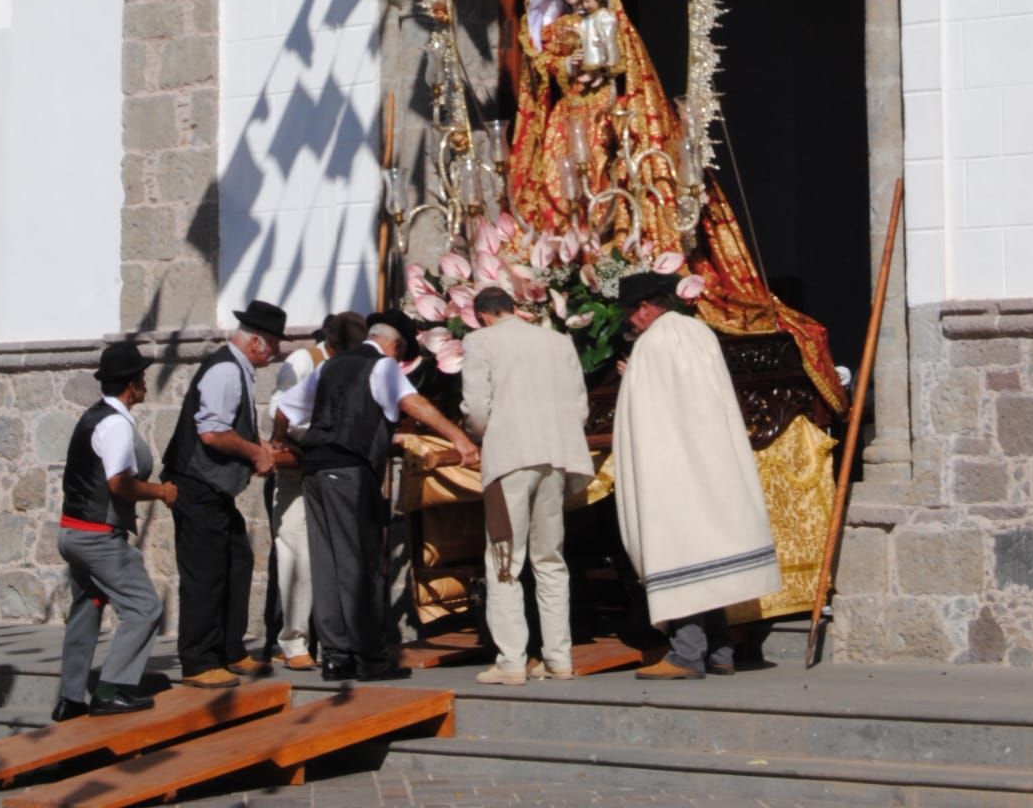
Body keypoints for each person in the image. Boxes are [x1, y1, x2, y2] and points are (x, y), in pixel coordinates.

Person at [276, 311, 479, 683]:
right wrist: (459, 438)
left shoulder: (330, 366)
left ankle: (336, 656)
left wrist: (282, 442)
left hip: (316, 470)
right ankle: (370, 658)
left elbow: (284, 409)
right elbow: (414, 405)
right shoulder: (383, 367)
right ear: (395, 345)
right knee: (358, 562)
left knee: (326, 563)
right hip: (350, 471)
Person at [613, 273, 781, 679]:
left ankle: (686, 652)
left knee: (679, 546)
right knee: (705, 548)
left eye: (631, 315)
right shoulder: (699, 331)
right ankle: (720, 649)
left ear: (646, 309)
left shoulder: (654, 343)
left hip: (673, 464)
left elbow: (651, 409)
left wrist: (630, 375)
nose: (631, 323)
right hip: (710, 458)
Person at [508, 0, 682, 252]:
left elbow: (621, 55)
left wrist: (599, 62)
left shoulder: (603, 17)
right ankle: (563, 248)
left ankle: (605, 244)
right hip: (568, 109)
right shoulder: (553, 25)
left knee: (605, 173)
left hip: (601, 104)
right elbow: (541, 60)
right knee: (557, 176)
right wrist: (561, 65)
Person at [461, 287, 594, 685]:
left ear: (482, 315)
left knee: (504, 559)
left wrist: (485, 432)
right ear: (513, 309)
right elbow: (580, 406)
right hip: (557, 455)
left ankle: (512, 661)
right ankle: (558, 657)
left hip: (510, 457)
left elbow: (476, 406)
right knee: (550, 558)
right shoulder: (557, 341)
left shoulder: (479, 341)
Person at [161, 299, 287, 690]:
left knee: (236, 561)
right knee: (204, 574)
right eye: (274, 344)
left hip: (213, 489)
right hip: (198, 485)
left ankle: (229, 649)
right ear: (256, 343)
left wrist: (261, 445)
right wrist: (255, 454)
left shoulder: (237, 368)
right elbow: (212, 432)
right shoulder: (226, 372)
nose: (278, 352)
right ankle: (199, 661)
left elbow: (232, 426)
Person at [53, 340, 177, 721]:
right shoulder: (115, 424)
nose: (144, 382)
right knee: (145, 608)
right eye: (141, 377)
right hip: (97, 538)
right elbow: (119, 484)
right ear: (131, 383)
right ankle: (111, 690)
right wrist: (161, 491)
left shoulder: (93, 416)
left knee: (87, 609)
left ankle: (70, 699)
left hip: (72, 534)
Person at [267, 311, 367, 669]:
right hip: (301, 468)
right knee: (298, 553)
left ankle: (335, 640)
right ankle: (293, 641)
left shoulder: (355, 365)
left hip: (332, 469)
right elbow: (280, 409)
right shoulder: (304, 361)